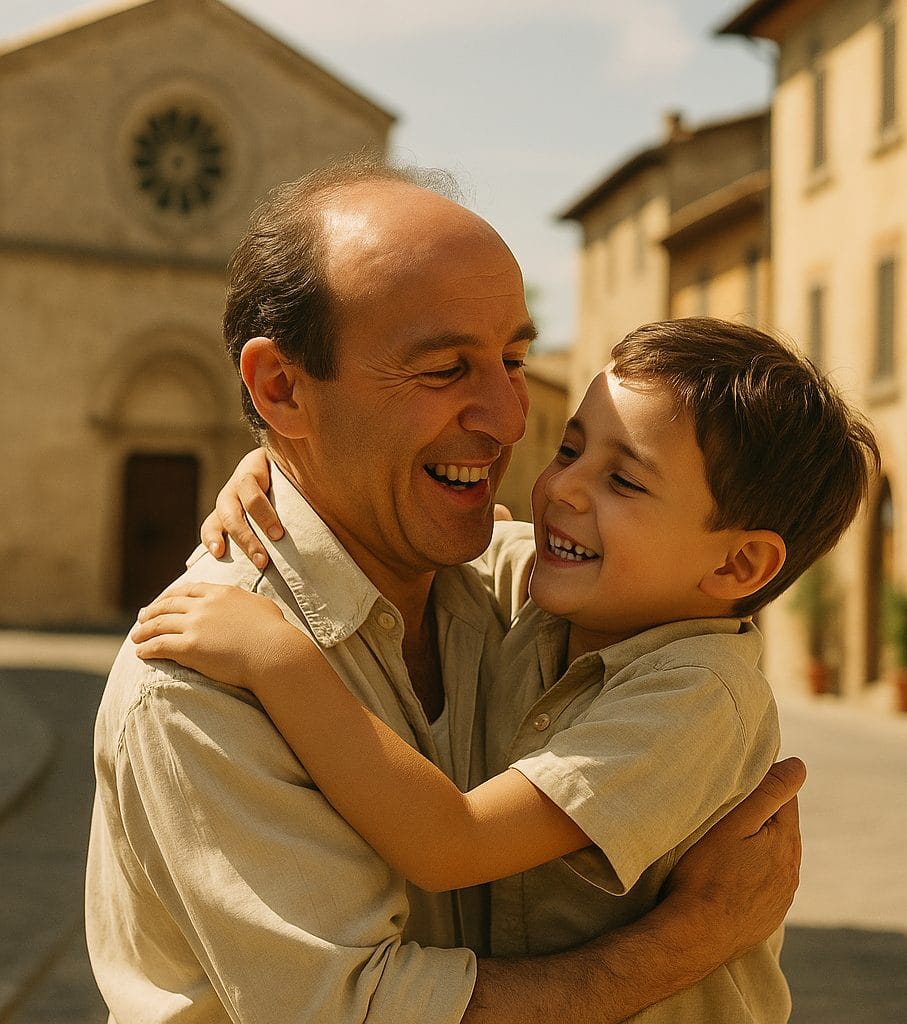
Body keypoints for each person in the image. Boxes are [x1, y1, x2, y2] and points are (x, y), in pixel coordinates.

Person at [86, 158, 804, 1024]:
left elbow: (455, 842)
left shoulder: (505, 592)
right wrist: (692, 940)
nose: (508, 420)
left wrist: (289, 468)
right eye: (443, 371)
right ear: (281, 388)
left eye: (512, 358)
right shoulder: (199, 678)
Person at [137, 317, 878, 1021]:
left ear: (738, 561)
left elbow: (451, 844)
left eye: (625, 482)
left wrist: (279, 659)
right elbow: (378, 511)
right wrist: (280, 467)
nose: (563, 489)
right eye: (569, 449)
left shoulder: (697, 696)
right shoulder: (566, 587)